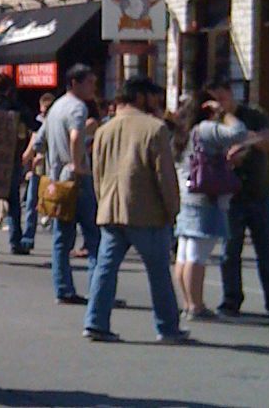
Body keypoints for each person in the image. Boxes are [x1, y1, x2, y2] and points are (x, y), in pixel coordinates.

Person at [82, 76, 185, 343]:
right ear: (141, 97)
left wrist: (102, 200)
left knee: (105, 268)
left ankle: (95, 322)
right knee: (158, 271)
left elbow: (97, 173)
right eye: (152, 97)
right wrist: (172, 210)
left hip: (110, 209)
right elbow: (165, 175)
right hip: (145, 212)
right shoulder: (155, 128)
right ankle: (167, 327)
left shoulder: (104, 130)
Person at [207, 76, 269, 318]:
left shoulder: (253, 114)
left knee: (267, 251)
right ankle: (231, 299)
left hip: (259, 193)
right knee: (230, 252)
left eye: (223, 97)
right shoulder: (210, 121)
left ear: (231, 94)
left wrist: (245, 141)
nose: (220, 103)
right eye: (215, 99)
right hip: (229, 197)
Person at [171, 90, 256, 321]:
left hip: (187, 197)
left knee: (185, 254)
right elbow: (238, 133)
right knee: (198, 256)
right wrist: (226, 113)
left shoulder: (183, 134)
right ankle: (196, 306)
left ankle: (188, 303)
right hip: (206, 199)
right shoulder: (205, 129)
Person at [24, 64, 100, 303]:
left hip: (56, 181)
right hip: (76, 180)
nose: (93, 88)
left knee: (62, 237)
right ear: (75, 83)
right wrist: (77, 164)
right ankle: (99, 291)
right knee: (94, 236)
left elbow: (40, 141)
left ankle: (63, 288)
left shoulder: (56, 107)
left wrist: (42, 159)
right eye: (89, 82)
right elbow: (76, 136)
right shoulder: (77, 108)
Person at [0, 72, 33, 256]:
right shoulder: (16, 108)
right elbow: (34, 125)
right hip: (10, 160)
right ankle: (15, 242)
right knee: (13, 204)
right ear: (9, 89)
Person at [20, 91, 55, 250]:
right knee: (31, 203)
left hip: (51, 169)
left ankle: (53, 236)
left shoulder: (54, 123)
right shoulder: (39, 123)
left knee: (52, 204)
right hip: (40, 169)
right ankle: (28, 237)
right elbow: (33, 145)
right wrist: (26, 162)